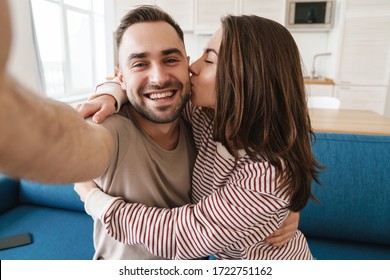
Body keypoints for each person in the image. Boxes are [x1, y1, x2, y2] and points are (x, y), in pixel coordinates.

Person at [75, 14, 322, 259]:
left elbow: (181, 237)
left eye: (210, 60)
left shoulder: (267, 177)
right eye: (202, 55)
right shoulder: (207, 118)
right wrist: (109, 94)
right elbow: (151, 88)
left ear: (247, 80)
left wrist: (93, 199)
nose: (193, 67)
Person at [0, 0, 113, 184]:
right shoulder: (115, 122)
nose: (157, 78)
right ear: (120, 75)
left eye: (171, 60)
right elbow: (83, 144)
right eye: (140, 64)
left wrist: (97, 200)